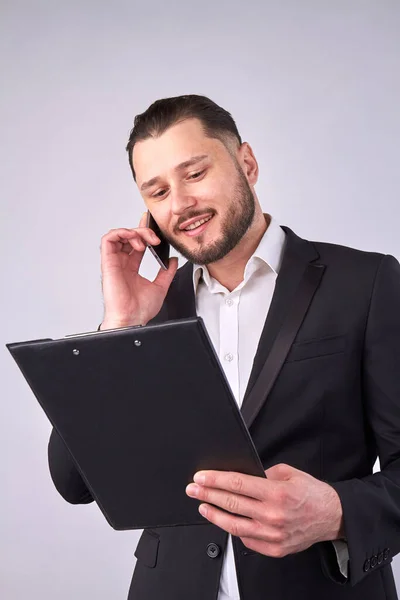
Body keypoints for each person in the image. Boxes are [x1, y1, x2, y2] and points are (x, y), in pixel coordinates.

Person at [48, 95, 400, 600]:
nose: (179, 204)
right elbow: (73, 481)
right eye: (158, 190)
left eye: (194, 174)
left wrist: (336, 514)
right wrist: (120, 328)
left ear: (248, 164)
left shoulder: (364, 283)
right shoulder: (150, 312)